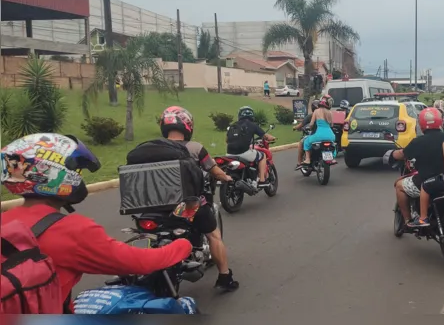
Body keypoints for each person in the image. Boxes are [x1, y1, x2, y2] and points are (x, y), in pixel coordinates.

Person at [1, 133, 193, 313]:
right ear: (50, 174)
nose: (79, 177)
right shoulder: (71, 230)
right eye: (75, 171)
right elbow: (138, 262)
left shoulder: (6, 221)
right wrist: (182, 245)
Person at [157, 106, 240, 290]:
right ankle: (225, 277)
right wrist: (226, 177)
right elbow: (214, 170)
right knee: (213, 235)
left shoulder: (154, 149)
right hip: (189, 206)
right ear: (187, 125)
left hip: (157, 207)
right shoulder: (195, 148)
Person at [391, 108, 444, 227]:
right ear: (440, 122)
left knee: (399, 186)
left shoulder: (418, 142)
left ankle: (408, 220)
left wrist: (391, 154)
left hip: (428, 180)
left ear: (421, 124)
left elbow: (403, 154)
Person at [226, 106, 276, 187]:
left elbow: (226, 140)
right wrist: (273, 138)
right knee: (262, 156)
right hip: (244, 153)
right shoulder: (253, 125)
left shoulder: (232, 125)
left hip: (229, 154)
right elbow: (265, 136)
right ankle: (262, 180)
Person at [300, 94, 337, 166]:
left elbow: (311, 124)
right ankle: (332, 158)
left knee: (306, 141)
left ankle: (307, 159)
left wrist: (309, 128)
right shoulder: (330, 113)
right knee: (333, 145)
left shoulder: (316, 111)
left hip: (319, 135)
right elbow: (331, 125)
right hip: (330, 135)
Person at [294, 99, 320, 166]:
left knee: (302, 142)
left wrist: (294, 127)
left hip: (315, 136)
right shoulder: (325, 115)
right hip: (327, 136)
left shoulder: (311, 116)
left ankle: (299, 162)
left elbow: (302, 125)